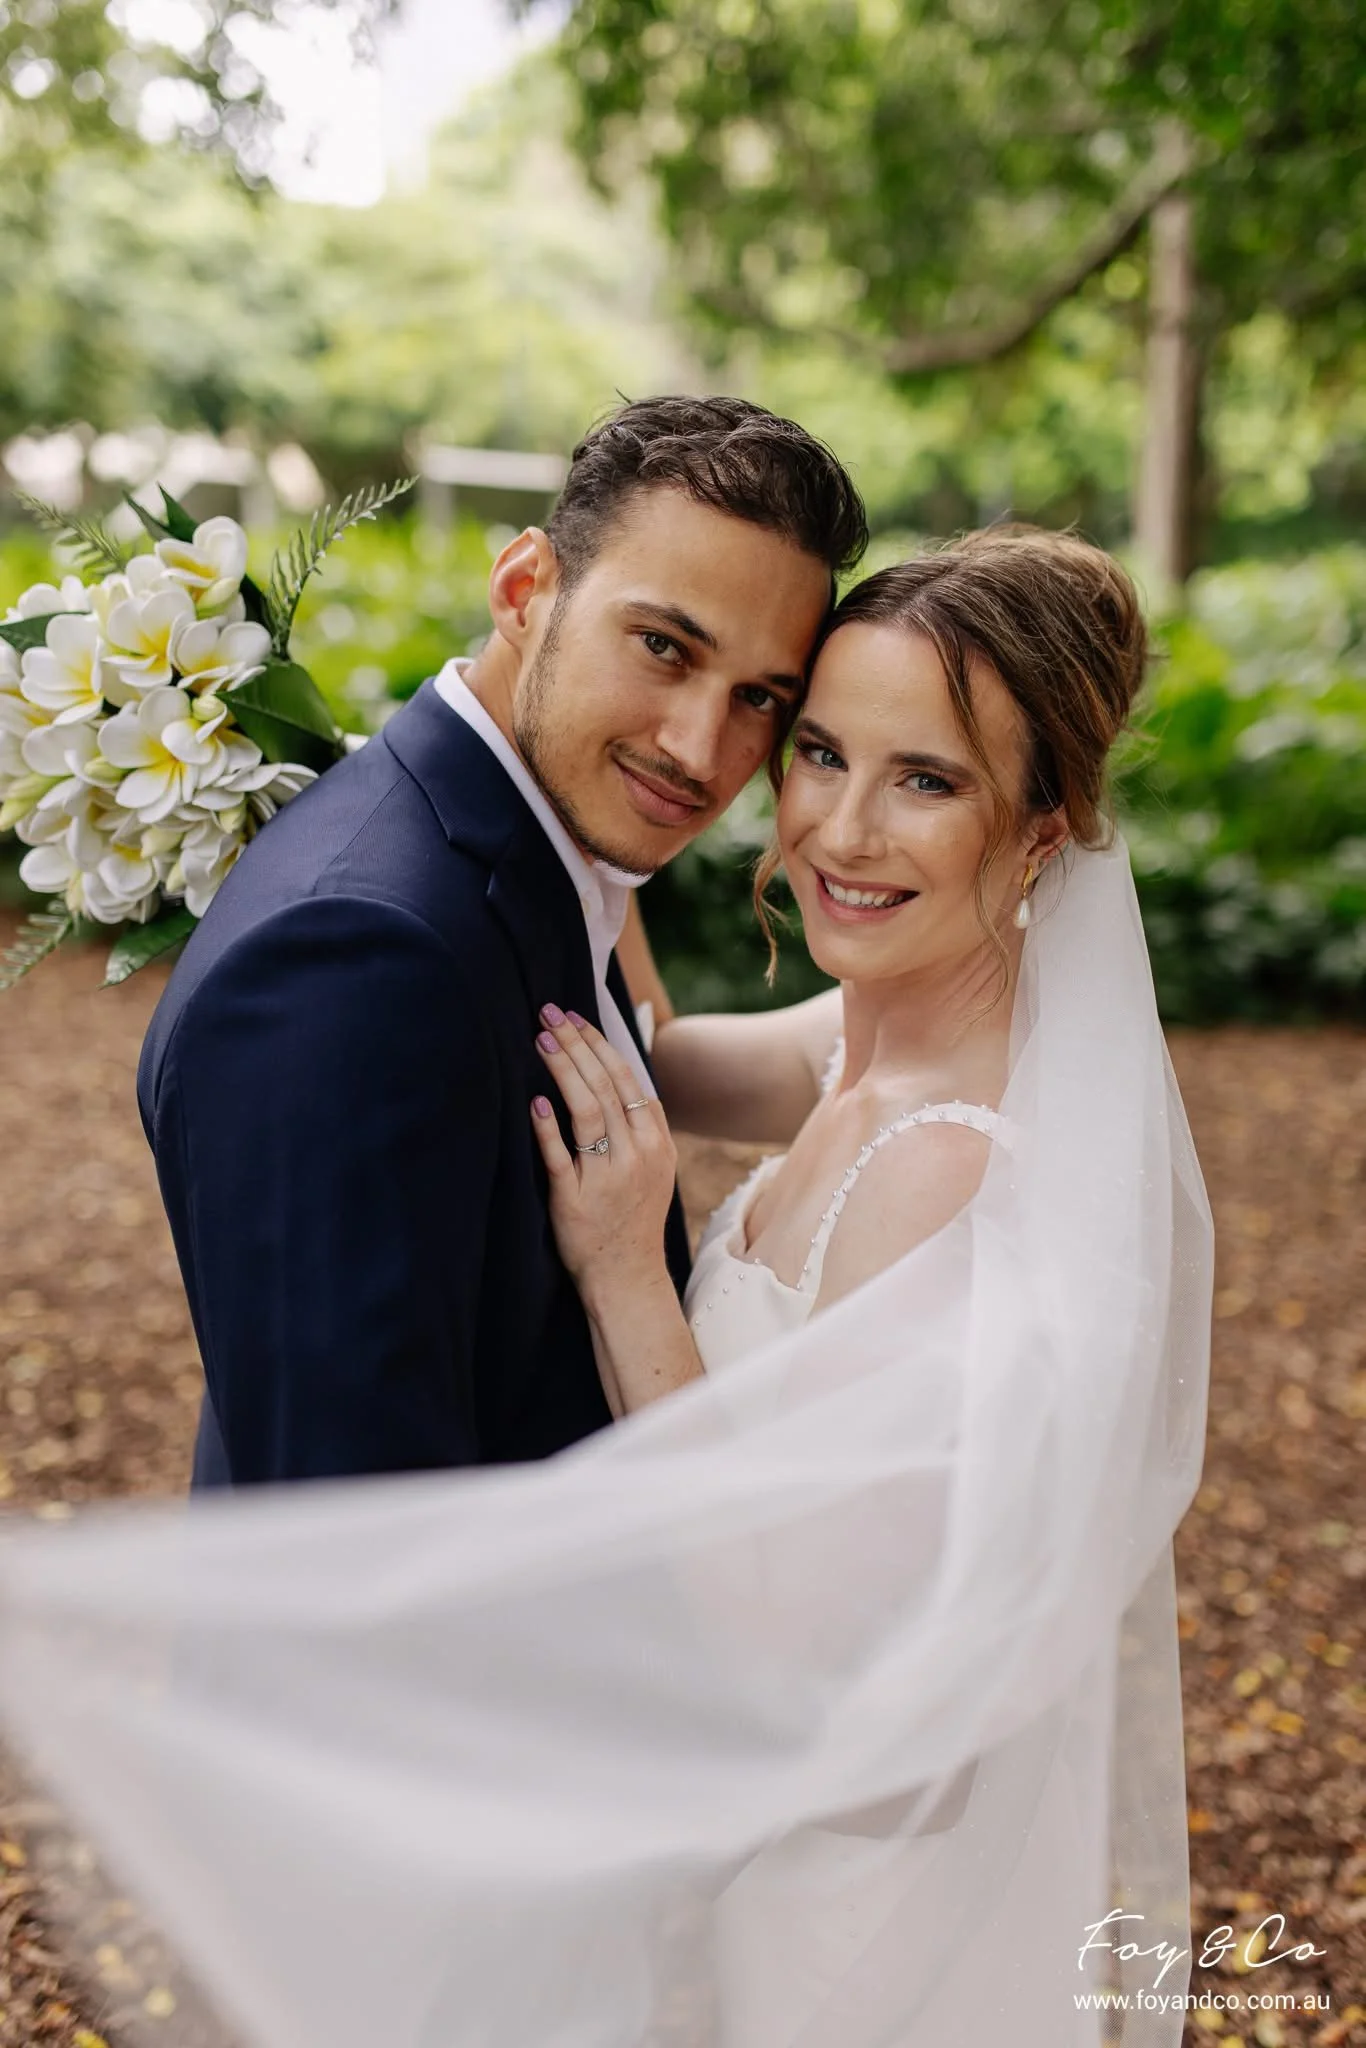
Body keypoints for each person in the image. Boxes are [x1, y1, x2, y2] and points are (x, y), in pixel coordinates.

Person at [0, 529, 1212, 2048]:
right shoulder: (868, 1037)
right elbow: (650, 1051)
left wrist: (626, 1268)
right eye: (821, 750)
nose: (835, 827)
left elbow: (790, 1628)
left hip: (845, 1915)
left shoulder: (951, 1163)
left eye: (926, 781)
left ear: (1040, 834)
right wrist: (539, 838)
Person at [134, 393, 867, 1487]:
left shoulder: (540, 855)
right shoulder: (352, 962)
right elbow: (351, 1531)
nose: (702, 748)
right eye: (664, 645)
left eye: (761, 696)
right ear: (526, 588)